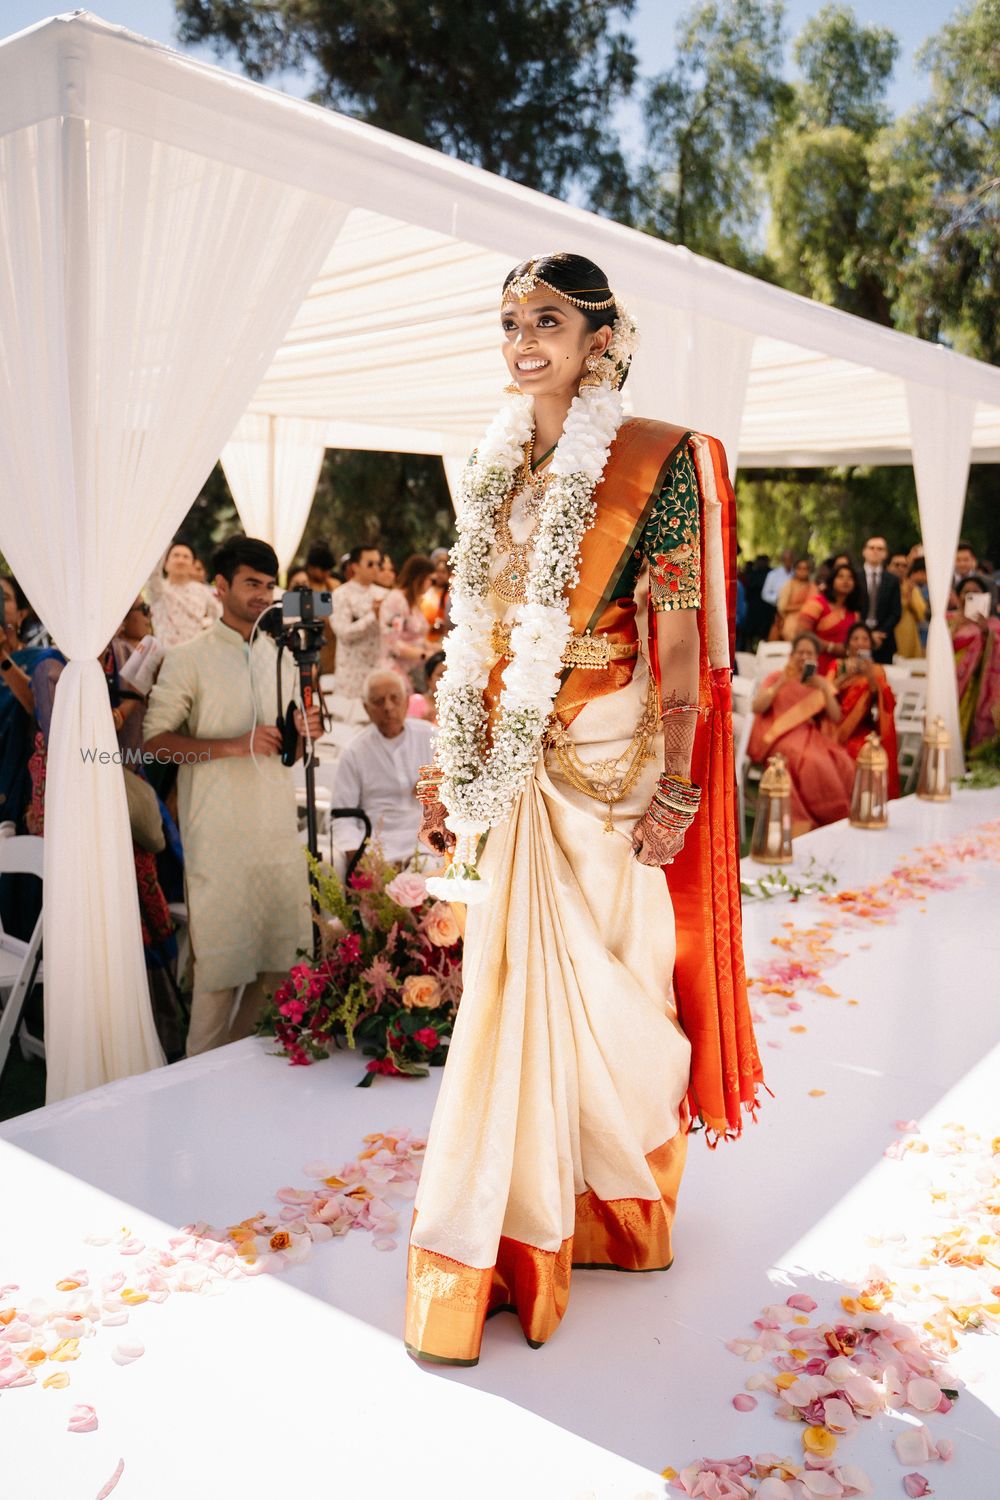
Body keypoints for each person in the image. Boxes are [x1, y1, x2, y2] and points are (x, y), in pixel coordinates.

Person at [404, 252, 759, 1367]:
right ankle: (509, 1231)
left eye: (547, 320)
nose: (523, 338)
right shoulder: (493, 465)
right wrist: (453, 754)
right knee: (509, 988)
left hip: (609, 761)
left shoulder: (651, 463)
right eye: (510, 319)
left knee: (618, 990)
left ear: (598, 338)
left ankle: (613, 1202)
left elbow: (682, 639)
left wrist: (685, 780)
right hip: (513, 759)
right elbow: (476, 625)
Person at [143, 536, 319, 1056]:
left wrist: (301, 730)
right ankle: (192, 1094)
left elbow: (286, 746)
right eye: (251, 584)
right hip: (218, 839)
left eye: (269, 585)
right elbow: (156, 744)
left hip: (275, 837)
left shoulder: (284, 657)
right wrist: (230, 745)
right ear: (219, 587)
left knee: (277, 970)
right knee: (218, 980)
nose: (263, 595)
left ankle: (241, 1090)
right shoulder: (187, 658)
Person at [749, 632, 855, 834]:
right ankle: (808, 822)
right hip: (777, 737)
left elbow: (835, 716)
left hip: (808, 735)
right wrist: (782, 682)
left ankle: (834, 818)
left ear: (816, 658)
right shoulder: (776, 677)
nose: (804, 657)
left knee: (841, 760)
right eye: (800, 652)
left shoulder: (819, 683)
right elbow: (758, 707)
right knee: (810, 761)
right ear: (792, 655)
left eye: (809, 653)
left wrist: (824, 687)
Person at [330, 670, 435, 866]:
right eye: (378, 701)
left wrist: (437, 788)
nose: (388, 707)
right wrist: (357, 861)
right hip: (377, 848)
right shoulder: (355, 751)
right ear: (366, 707)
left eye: (395, 698)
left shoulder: (430, 737)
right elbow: (342, 816)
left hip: (428, 844)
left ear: (406, 701)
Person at [0, 576, 59, 830]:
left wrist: (2, 659)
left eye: (4, 598)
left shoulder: (44, 660)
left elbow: (39, 706)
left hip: (23, 793)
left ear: (22, 614)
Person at [826, 622, 900, 797]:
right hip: (833, 726)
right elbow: (825, 695)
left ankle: (865, 799)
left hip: (861, 729)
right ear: (848, 644)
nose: (860, 643)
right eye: (855, 638)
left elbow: (882, 702)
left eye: (865, 639)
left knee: (864, 750)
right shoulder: (837, 665)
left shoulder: (877, 670)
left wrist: (869, 676)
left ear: (871, 645)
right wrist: (845, 677)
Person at [329, 543, 384, 719]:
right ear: (355, 566)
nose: (376, 568)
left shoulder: (384, 594)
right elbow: (343, 632)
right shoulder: (340, 595)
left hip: (379, 671)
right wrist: (372, 617)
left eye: (378, 564)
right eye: (370, 564)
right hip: (350, 677)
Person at [949, 576, 1000, 752]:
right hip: (950, 684)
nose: (969, 596)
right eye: (965, 592)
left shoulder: (993, 625)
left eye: (975, 593)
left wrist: (986, 633)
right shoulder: (948, 620)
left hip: (977, 687)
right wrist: (955, 628)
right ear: (958, 595)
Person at [148, 540, 222, 649]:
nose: (181, 560)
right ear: (165, 563)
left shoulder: (202, 591)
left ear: (193, 565)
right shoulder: (158, 589)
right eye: (176, 555)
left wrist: (208, 624)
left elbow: (220, 617)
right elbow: (153, 572)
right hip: (166, 655)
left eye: (186, 557)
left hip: (196, 654)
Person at [797, 561, 862, 674]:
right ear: (832, 581)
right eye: (840, 576)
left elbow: (856, 642)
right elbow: (802, 635)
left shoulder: (854, 613)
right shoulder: (816, 603)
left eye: (850, 577)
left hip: (842, 670)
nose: (846, 580)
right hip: (814, 665)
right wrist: (832, 647)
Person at [379, 554, 434, 682]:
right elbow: (392, 642)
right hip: (396, 672)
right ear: (418, 578)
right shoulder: (396, 599)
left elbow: (417, 638)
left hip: (414, 670)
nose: (430, 583)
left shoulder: (414, 601)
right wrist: (424, 654)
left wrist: (436, 648)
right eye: (429, 579)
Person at [855, 536, 901, 665]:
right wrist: (867, 633)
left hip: (884, 641)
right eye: (872, 548)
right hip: (857, 638)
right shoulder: (854, 577)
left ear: (885, 554)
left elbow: (896, 612)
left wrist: (879, 633)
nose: (875, 551)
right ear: (864, 551)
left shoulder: (892, 580)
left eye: (880, 549)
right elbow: (852, 607)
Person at [888, 552, 927, 659]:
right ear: (888, 567)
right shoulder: (881, 586)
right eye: (896, 565)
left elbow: (921, 614)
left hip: (908, 635)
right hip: (888, 634)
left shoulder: (911, 587)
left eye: (904, 566)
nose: (900, 568)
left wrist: (910, 597)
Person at [775, 557, 812, 642]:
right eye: (800, 568)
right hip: (791, 624)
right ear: (795, 570)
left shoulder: (813, 587)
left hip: (810, 623)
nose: (802, 571)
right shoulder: (789, 585)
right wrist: (803, 606)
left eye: (805, 568)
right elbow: (782, 607)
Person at [420, 548, 451, 646]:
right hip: (421, 637)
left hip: (440, 641)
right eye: (437, 572)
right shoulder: (424, 589)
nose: (439, 575)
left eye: (443, 572)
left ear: (448, 574)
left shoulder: (450, 594)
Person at [762, 549, 795, 637]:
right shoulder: (773, 574)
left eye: (790, 558)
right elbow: (765, 594)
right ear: (782, 560)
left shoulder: (795, 574)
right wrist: (778, 599)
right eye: (786, 559)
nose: (788, 561)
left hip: (792, 612)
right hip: (775, 610)